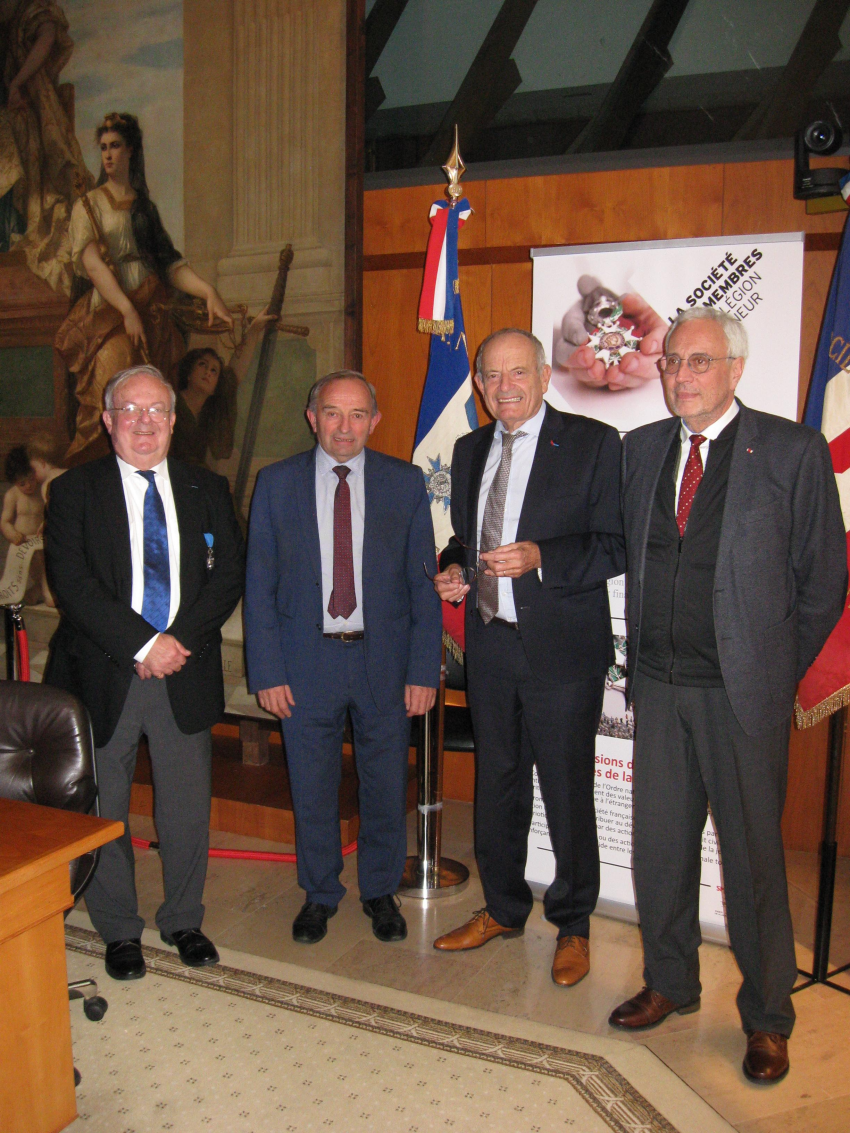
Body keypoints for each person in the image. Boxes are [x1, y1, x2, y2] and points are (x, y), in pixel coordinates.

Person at [610, 307, 847, 1083]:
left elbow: (824, 579)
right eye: (672, 361)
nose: (681, 375)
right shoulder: (642, 449)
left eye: (699, 361)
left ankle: (769, 1016)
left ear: (735, 369)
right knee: (661, 850)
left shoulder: (790, 449)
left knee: (752, 863)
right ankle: (670, 981)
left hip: (741, 696)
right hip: (658, 685)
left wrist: (773, 667)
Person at [431, 329, 625, 986]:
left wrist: (543, 556)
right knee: (498, 785)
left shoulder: (594, 443)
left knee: (566, 790)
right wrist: (454, 569)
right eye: (491, 375)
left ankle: (573, 924)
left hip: (561, 649)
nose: (504, 386)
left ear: (544, 376)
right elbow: (466, 539)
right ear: (479, 384)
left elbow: (616, 543)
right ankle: (504, 908)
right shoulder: (469, 448)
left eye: (518, 372)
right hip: (490, 642)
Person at [43, 364, 244, 981]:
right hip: (103, 671)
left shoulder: (207, 486)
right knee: (104, 806)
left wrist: (174, 643)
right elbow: (72, 583)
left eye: (156, 409)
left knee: (186, 807)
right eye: (129, 410)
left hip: (184, 668)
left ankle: (184, 919)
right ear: (108, 421)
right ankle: (118, 930)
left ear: (174, 420)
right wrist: (142, 643)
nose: (144, 422)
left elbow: (228, 575)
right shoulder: (74, 490)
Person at [244, 370, 441, 945]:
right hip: (305, 663)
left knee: (384, 783)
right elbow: (259, 585)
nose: (345, 426)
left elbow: (422, 583)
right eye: (333, 412)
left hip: (385, 662)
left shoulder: (404, 483)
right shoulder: (276, 483)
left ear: (374, 421)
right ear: (313, 418)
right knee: (311, 785)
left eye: (358, 414)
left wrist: (422, 669)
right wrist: (267, 670)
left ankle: (379, 891)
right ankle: (319, 893)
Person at [55, 112, 232, 463]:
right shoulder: (88, 205)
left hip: (151, 316)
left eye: (116, 146)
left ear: (131, 150)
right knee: (111, 396)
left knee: (151, 408)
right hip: (110, 316)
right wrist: (126, 310)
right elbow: (92, 264)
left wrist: (207, 291)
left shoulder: (144, 208)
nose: (108, 154)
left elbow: (169, 264)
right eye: (104, 147)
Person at [0, 0, 93, 292]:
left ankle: (9, 239)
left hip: (20, 105)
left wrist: (17, 82)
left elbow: (48, 34)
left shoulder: (27, 8)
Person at [170, 307, 275, 469]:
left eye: (214, 370)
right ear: (189, 373)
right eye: (202, 364)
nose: (208, 372)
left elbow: (235, 372)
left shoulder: (209, 412)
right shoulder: (170, 403)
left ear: (215, 387)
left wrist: (254, 330)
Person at [1, 444, 50, 603]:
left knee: (47, 566)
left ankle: (41, 590)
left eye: (31, 480)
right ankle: (39, 589)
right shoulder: (12, 495)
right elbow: (5, 521)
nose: (28, 486)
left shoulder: (41, 490)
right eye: (22, 483)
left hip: (40, 541)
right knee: (32, 568)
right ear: (14, 481)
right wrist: (12, 534)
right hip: (22, 544)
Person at [26, 430, 65, 501]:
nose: (33, 475)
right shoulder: (70, 472)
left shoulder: (47, 485)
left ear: (42, 463)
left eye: (34, 469)